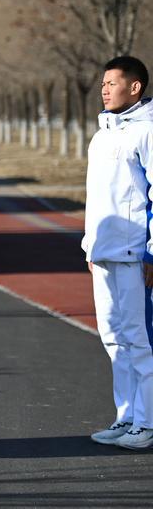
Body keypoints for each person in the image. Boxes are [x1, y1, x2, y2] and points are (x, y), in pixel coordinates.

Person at [83, 55, 153, 450]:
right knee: (113, 339)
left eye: (112, 83)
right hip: (104, 252)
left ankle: (147, 422)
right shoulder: (102, 135)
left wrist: (151, 254)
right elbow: (96, 198)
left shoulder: (147, 131)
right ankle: (126, 416)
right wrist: (89, 245)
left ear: (135, 86)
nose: (105, 89)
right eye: (103, 83)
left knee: (140, 341)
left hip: (134, 254)